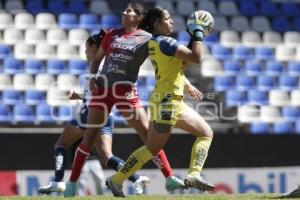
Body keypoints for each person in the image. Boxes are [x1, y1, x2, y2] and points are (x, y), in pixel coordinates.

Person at [63, 2, 198, 197]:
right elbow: (97, 59)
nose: (124, 12)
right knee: (89, 137)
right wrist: (93, 77)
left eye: (129, 10)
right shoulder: (111, 34)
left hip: (126, 91)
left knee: (147, 136)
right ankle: (72, 185)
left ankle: (169, 179)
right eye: (125, 10)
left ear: (139, 17)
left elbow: (167, 63)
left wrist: (187, 83)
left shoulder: (148, 40)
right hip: (103, 90)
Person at [105, 7, 215, 197]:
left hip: (166, 100)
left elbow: (182, 62)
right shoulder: (166, 42)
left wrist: (186, 83)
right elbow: (195, 57)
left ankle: (116, 180)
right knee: (155, 147)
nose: (172, 21)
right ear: (156, 23)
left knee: (202, 134)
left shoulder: (155, 42)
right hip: (168, 101)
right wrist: (198, 32)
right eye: (168, 18)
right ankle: (193, 174)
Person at [38, 31, 149, 196]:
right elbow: (101, 91)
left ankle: (58, 181)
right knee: (106, 157)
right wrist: (79, 96)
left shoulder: (98, 66)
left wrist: (83, 98)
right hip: (107, 115)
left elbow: (98, 93)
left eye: (86, 47)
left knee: (61, 144)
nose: (85, 51)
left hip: (92, 111)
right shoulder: (110, 62)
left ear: (92, 47)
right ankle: (135, 178)